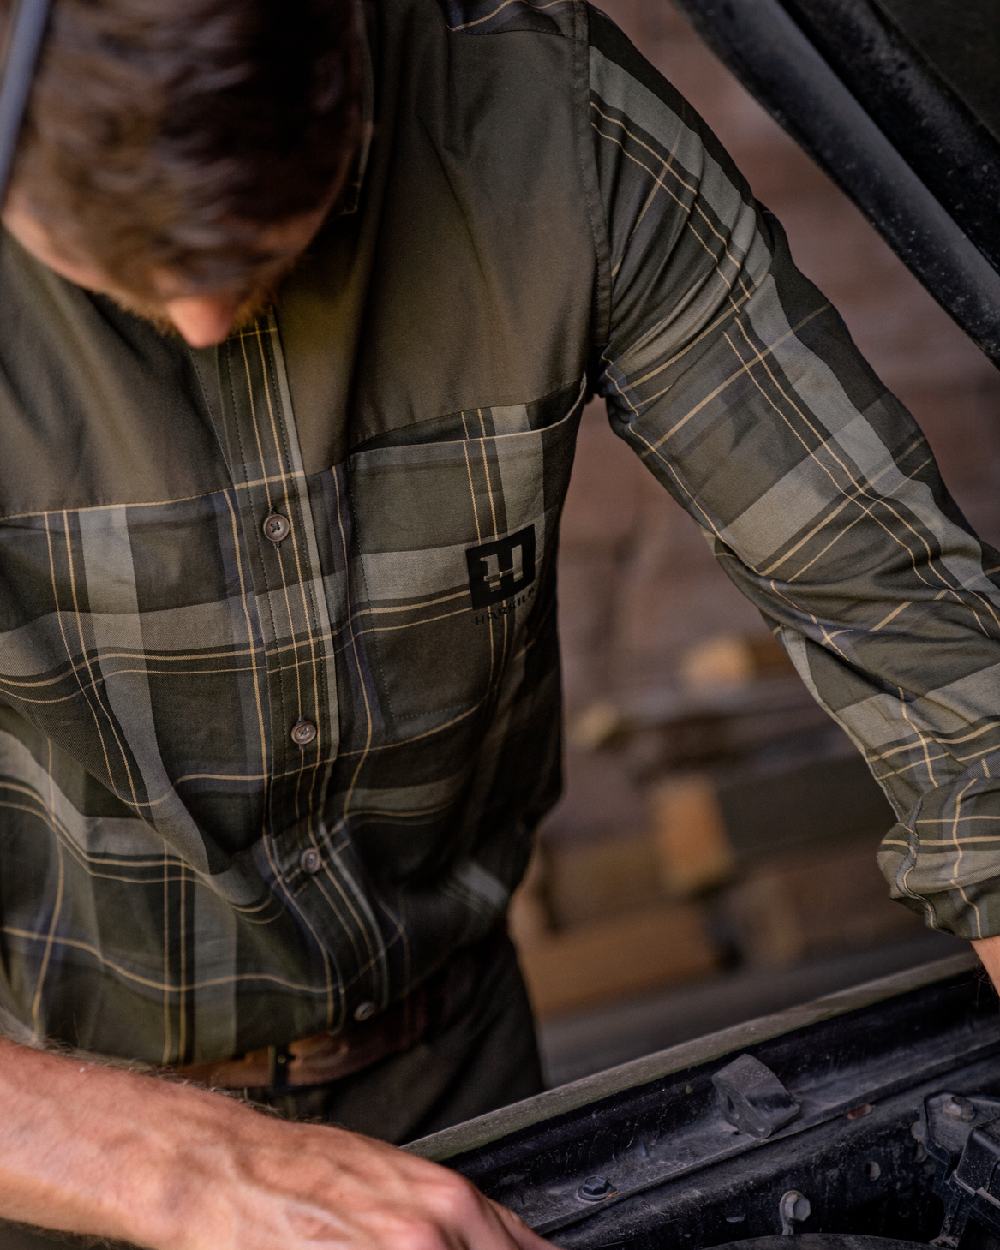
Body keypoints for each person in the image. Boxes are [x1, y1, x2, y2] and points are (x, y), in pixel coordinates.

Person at [1, 0, 999, 1246]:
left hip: (462, 1076)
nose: (203, 317)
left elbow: (925, 642)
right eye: (111, 255)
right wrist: (163, 1163)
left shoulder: (543, 109)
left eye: (269, 231)